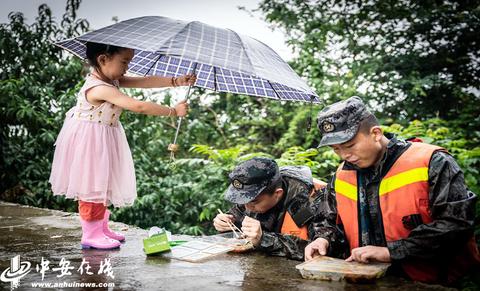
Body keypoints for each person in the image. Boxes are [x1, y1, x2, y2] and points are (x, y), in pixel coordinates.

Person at [305, 96, 480, 284]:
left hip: (431, 283)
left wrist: (391, 252)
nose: (344, 155)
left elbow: (456, 224)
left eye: (349, 145)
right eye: (336, 149)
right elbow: (328, 219)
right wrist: (323, 239)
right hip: (364, 281)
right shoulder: (341, 175)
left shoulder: (433, 162)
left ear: (376, 133)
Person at [49, 42, 196, 250]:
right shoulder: (99, 87)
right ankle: (90, 234)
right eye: (124, 62)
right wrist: (172, 111)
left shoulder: (111, 80)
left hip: (104, 137)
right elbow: (138, 105)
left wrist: (176, 81)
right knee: (91, 187)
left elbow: (144, 82)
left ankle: (101, 228)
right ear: (102, 59)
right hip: (90, 141)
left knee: (103, 184)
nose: (127, 67)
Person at [213, 157, 327, 260]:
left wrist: (264, 239)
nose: (246, 206)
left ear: (277, 193)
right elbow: (235, 217)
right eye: (243, 201)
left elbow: (318, 248)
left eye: (253, 201)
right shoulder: (252, 195)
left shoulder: (309, 201)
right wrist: (224, 223)